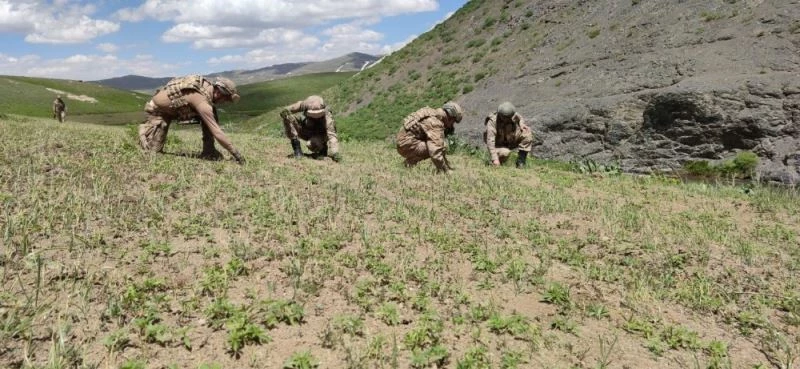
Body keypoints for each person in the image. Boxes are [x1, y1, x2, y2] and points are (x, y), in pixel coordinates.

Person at [138, 75, 245, 164]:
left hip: (174, 110)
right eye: (225, 99)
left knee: (212, 113)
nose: (224, 102)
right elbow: (217, 132)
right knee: (151, 152)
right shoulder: (202, 102)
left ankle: (209, 151)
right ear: (219, 93)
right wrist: (235, 153)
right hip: (158, 111)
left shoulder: (206, 88)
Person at [395, 101, 463, 173]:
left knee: (440, 144)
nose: (451, 125)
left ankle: (408, 164)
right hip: (406, 145)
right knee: (436, 147)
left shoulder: (430, 112)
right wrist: (446, 171)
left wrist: (447, 166)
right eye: (453, 122)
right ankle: (409, 164)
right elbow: (435, 153)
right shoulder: (435, 123)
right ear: (450, 118)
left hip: (403, 142)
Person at [280, 95, 341, 162]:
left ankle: (322, 148)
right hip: (306, 130)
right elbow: (292, 108)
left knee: (311, 144)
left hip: (319, 135)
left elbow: (332, 136)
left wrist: (335, 153)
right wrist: (286, 111)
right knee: (287, 117)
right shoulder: (305, 104)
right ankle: (297, 150)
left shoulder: (328, 117)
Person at [484, 102, 533, 168]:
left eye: (509, 117)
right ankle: (494, 163)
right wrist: (494, 158)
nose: (507, 118)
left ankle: (521, 162)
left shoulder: (512, 114)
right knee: (505, 152)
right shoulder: (492, 121)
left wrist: (521, 124)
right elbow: (490, 141)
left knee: (527, 133)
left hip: (510, 139)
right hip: (498, 144)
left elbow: (519, 117)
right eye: (504, 117)